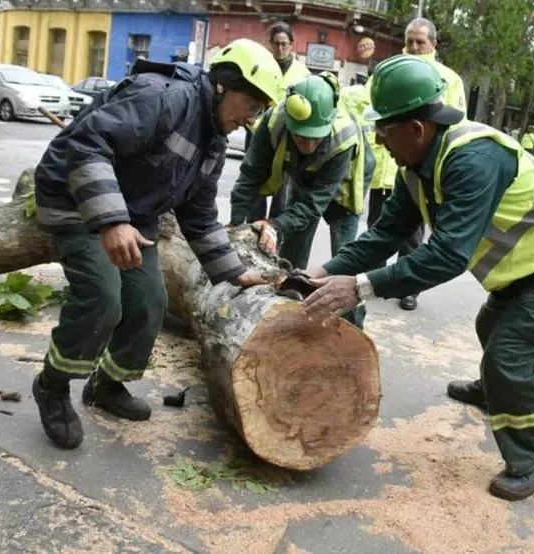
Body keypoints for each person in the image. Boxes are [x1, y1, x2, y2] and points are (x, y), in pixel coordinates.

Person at [302, 55, 534, 501]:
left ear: (416, 128)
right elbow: (385, 234)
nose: (380, 141)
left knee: (509, 356)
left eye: (384, 131)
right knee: (490, 328)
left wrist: (362, 288)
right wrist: (325, 272)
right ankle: (497, 392)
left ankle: (533, 459)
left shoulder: (472, 160)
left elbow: (447, 256)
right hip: (533, 259)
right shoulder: (417, 169)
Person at [30, 38, 282, 450]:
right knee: (102, 297)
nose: (252, 119)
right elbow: (88, 145)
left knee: (149, 302)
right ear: (225, 84)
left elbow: (199, 214)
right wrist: (110, 221)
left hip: (133, 213)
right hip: (76, 200)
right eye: (253, 106)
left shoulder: (215, 139)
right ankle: (53, 386)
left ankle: (107, 385)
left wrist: (235, 271)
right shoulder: (163, 96)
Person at [230, 72, 373, 328]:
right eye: (300, 136)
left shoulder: (344, 136)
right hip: (303, 177)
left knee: (346, 261)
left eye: (314, 136)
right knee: (291, 257)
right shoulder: (274, 122)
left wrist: (274, 225)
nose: (307, 143)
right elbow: (250, 175)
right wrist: (234, 224)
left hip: (343, 185)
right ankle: (290, 314)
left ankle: (354, 328)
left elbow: (312, 205)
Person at [362, 17, 467, 312]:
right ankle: (375, 280)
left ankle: (408, 287)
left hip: (419, 164)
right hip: (386, 165)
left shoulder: (447, 78)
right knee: (378, 224)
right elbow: (371, 114)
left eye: (421, 41)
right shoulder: (388, 72)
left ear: (433, 44)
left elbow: (454, 122)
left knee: (412, 231)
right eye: (410, 41)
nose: (415, 46)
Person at [243, 22, 312, 222]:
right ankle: (253, 228)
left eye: (284, 44)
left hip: (286, 137)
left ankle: (273, 231)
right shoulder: (261, 66)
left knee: (283, 187)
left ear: (292, 44)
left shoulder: (302, 73)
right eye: (276, 44)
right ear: (270, 44)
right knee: (255, 180)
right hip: (257, 133)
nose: (280, 49)